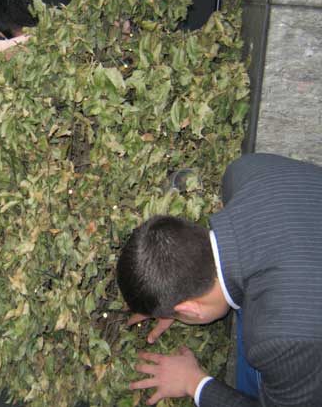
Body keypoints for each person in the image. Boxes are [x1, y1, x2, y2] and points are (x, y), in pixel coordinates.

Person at [116, 153, 322, 406]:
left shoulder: (278, 342)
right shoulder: (244, 172)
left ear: (191, 309)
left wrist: (195, 382)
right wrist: (172, 294)